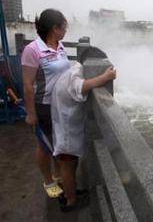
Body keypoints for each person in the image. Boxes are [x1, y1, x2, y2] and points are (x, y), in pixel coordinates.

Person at [51, 62, 116, 212]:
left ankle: (70, 191)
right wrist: (106, 76)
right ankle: (71, 201)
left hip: (64, 126)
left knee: (71, 163)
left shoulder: (69, 72)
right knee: (67, 165)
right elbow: (81, 86)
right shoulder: (74, 74)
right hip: (66, 131)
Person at [22, 9, 69, 198]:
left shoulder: (60, 45)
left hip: (61, 105)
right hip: (44, 105)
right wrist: (31, 113)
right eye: (63, 26)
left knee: (57, 143)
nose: (66, 30)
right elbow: (27, 84)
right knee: (44, 145)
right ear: (54, 29)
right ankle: (48, 180)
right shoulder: (33, 50)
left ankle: (58, 175)